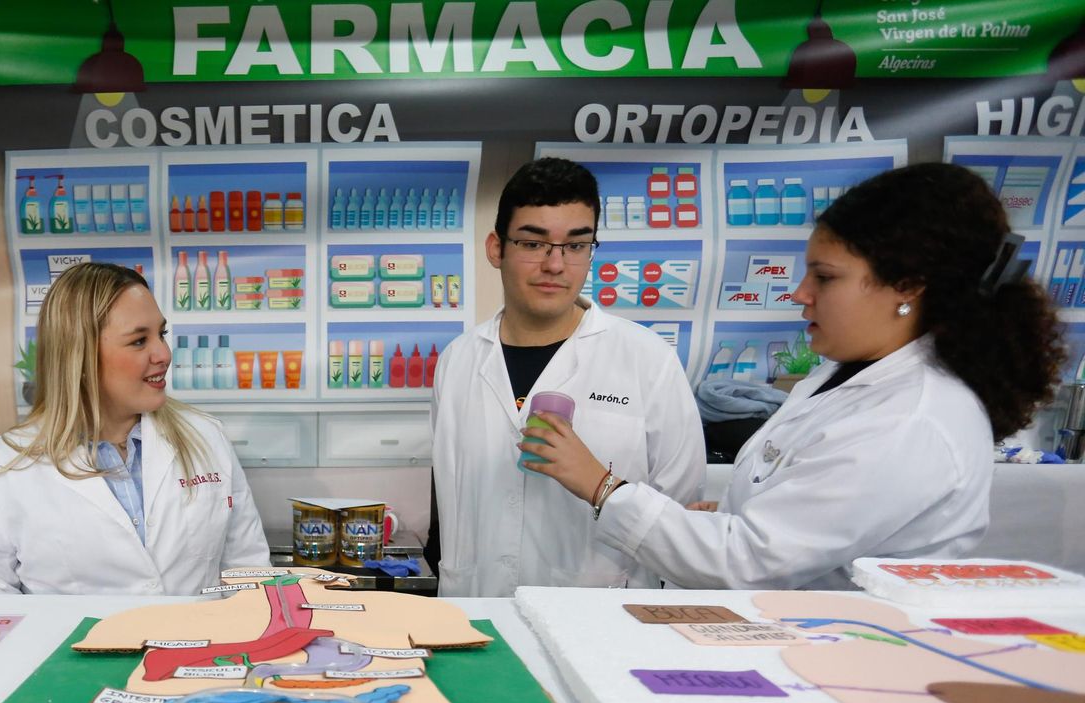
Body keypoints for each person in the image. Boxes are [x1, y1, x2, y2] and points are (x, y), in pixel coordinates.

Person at [523, 162, 1065, 590]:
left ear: (908, 285)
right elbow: (796, 521)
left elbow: (751, 559)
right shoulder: (846, 377)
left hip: (848, 659)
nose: (800, 294)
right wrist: (731, 513)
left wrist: (601, 486)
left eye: (825, 278)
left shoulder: (911, 419)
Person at [428, 157, 704, 594]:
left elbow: (678, 517)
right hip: (476, 611)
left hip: (600, 625)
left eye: (576, 245)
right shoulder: (459, 360)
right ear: (496, 249)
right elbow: (455, 504)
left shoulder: (647, 360)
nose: (556, 265)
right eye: (533, 244)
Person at [0, 262, 269, 595]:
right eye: (138, 341)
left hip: (201, 645)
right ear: (80, 356)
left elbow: (248, 571)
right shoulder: (2, 467)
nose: (163, 353)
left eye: (161, 334)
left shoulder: (205, 436)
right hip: (71, 646)